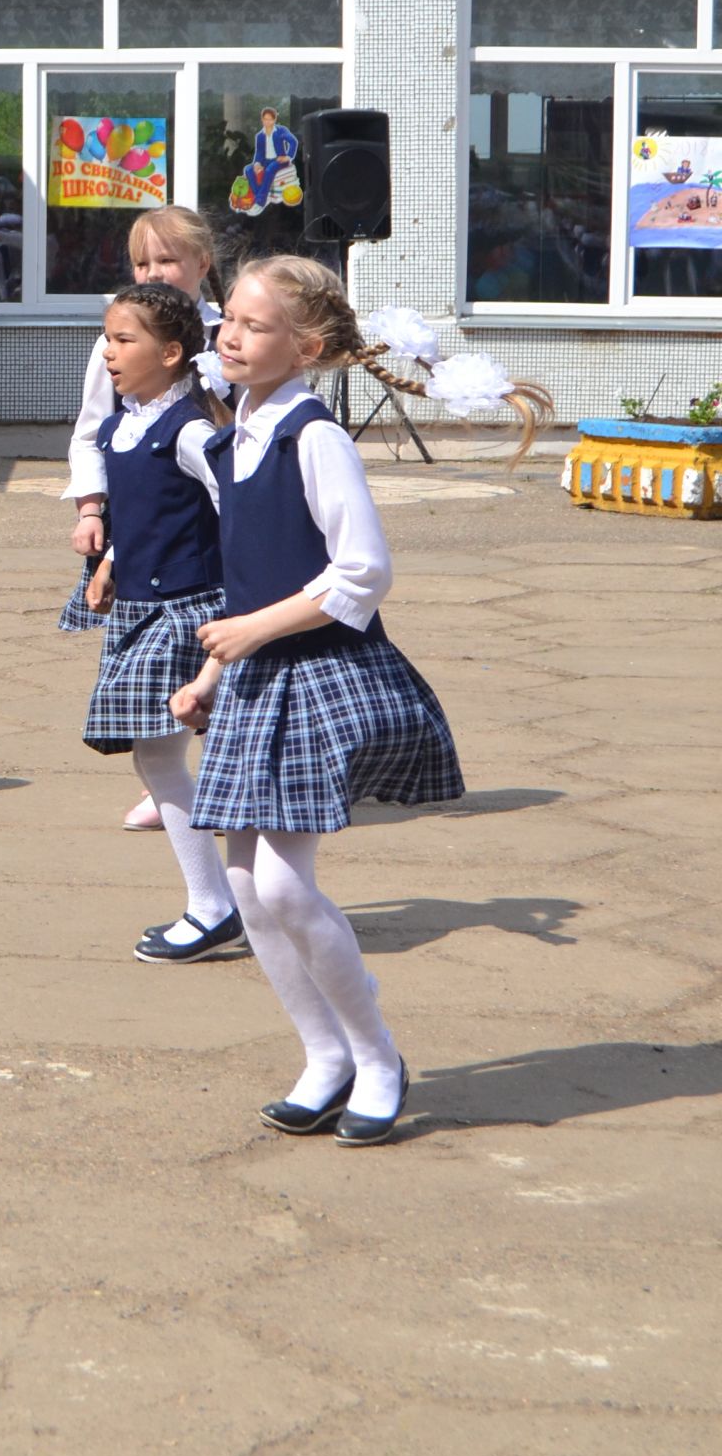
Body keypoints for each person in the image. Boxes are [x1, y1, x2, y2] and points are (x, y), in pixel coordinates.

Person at [172, 257, 486, 1146]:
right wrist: (212, 673)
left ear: (305, 347)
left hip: (314, 674)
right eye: (226, 317)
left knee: (280, 881)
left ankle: (378, 1056)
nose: (231, 335)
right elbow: (245, 575)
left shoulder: (315, 436)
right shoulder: (235, 434)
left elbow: (363, 572)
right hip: (253, 674)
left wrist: (250, 634)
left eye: (255, 325)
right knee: (242, 880)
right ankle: (325, 1057)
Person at [64, 282, 241, 962]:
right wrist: (111, 558)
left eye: (123, 339)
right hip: (141, 606)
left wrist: (242, 600)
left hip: (189, 610)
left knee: (163, 751)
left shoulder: (190, 430)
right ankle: (225, 900)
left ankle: (218, 904)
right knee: (162, 752)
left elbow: (238, 507)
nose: (108, 352)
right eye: (107, 338)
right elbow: (140, 513)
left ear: (172, 353)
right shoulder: (121, 426)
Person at [66, 205, 226, 832]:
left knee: (211, 654)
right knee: (153, 663)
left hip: (208, 527)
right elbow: (91, 434)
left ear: (202, 265)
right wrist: (91, 509)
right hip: (142, 526)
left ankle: (201, 777)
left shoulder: (229, 335)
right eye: (141, 261)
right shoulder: (119, 340)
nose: (153, 271)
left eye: (167, 260)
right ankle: (170, 775)